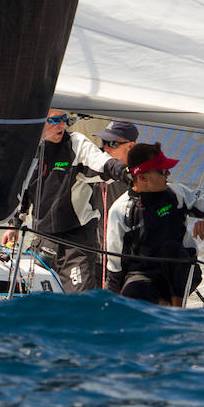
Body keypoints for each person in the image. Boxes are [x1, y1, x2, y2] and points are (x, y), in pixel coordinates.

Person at [2, 110, 130, 292]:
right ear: (40, 122)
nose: (61, 125)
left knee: (79, 300)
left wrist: (126, 173)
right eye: (54, 120)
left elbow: (102, 162)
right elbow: (22, 192)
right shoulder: (29, 150)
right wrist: (13, 224)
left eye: (63, 120)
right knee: (35, 299)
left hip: (76, 243)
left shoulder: (75, 143)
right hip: (43, 239)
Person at [105, 143, 204, 307]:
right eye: (163, 170)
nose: (168, 173)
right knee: (134, 291)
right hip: (143, 277)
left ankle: (174, 314)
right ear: (143, 177)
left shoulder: (177, 193)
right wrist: (112, 306)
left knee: (173, 251)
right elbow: (115, 266)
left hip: (181, 270)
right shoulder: (120, 210)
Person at [91, 120, 138, 289]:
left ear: (130, 146)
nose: (105, 148)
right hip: (93, 258)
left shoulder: (142, 179)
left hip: (124, 265)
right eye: (103, 142)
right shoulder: (95, 167)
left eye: (112, 143)